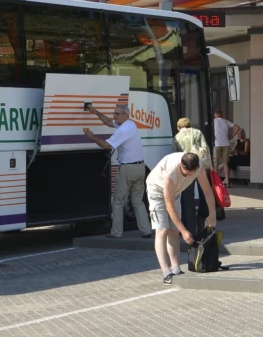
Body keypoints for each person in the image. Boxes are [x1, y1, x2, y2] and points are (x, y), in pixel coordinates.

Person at [146, 152, 217, 285]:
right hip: (157, 191)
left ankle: (176, 268)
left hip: (176, 193)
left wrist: (212, 214)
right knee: (162, 231)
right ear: (180, 165)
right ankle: (166, 272)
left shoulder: (199, 168)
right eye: (185, 173)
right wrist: (184, 230)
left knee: (174, 231)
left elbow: (207, 191)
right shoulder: (170, 171)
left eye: (191, 173)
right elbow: (169, 206)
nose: (188, 176)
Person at [84, 104, 152, 239]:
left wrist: (91, 137)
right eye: (114, 113)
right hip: (140, 167)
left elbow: (106, 145)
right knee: (138, 201)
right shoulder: (130, 124)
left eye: (117, 114)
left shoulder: (122, 131)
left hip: (127, 168)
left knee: (118, 201)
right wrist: (95, 112)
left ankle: (116, 232)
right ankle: (146, 231)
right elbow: (109, 122)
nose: (114, 116)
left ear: (125, 115)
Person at [172, 117, 212, 236]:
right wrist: (211, 166)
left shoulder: (176, 137)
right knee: (204, 195)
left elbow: (174, 155)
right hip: (200, 168)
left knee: (187, 200)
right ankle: (203, 227)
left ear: (179, 127)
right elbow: (206, 150)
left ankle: (189, 230)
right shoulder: (198, 132)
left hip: (186, 171)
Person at [214, 110, 240, 188]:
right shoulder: (225, 121)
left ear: (215, 115)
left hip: (217, 144)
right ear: (221, 115)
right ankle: (227, 181)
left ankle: (215, 181)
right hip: (226, 144)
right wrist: (232, 136)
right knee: (225, 163)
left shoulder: (213, 122)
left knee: (216, 163)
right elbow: (237, 127)